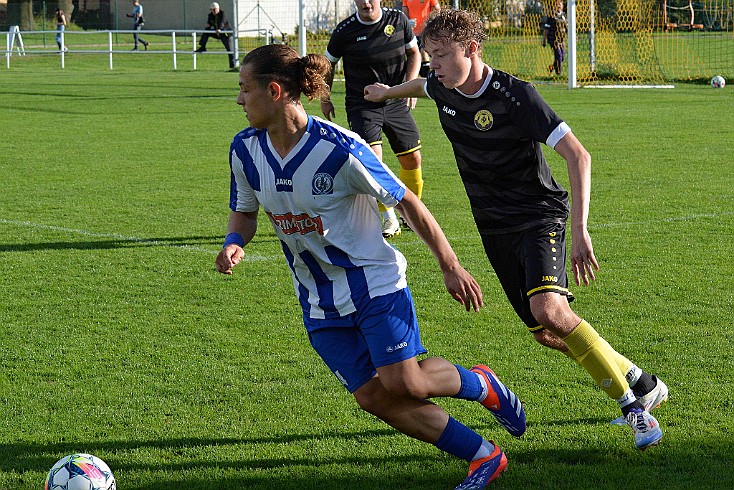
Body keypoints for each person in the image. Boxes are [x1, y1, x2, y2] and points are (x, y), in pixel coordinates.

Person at [217, 43, 528, 489]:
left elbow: (408, 203)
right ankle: (483, 456)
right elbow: (244, 213)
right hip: (317, 298)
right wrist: (234, 241)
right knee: (372, 397)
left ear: (275, 91)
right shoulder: (244, 150)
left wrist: (450, 265)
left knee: (408, 385)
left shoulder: (339, 150)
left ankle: (481, 385)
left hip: (374, 283)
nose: (239, 99)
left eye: (244, 89)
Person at [364, 8, 668, 450]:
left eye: (443, 56)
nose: (435, 65)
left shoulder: (515, 96)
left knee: (550, 312)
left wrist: (581, 231)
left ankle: (633, 409)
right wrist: (387, 91)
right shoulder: (441, 85)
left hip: (537, 215)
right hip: (493, 226)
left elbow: (578, 156)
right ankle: (641, 381)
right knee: (545, 332)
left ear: (472, 49)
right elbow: (421, 86)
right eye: (430, 56)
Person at [321, 0, 424, 239]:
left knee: (412, 158)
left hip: (396, 99)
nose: (366, 2)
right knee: (373, 160)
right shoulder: (344, 30)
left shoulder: (398, 20)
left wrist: (407, 86)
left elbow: (414, 53)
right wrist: (325, 98)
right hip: (362, 104)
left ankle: (411, 213)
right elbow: (327, 65)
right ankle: (389, 218)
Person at [400, 0, 441, 77]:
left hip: (425, 31)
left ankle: (426, 78)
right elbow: (404, 13)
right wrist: (407, 22)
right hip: (412, 32)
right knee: (414, 54)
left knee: (424, 52)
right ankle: (419, 78)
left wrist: (431, 22)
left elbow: (437, 10)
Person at [195, 2, 237, 71]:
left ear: (218, 9)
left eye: (215, 9)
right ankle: (202, 46)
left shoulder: (222, 14)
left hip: (226, 34)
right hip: (217, 33)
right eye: (212, 10)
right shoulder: (210, 15)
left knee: (230, 50)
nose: (213, 11)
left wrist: (220, 29)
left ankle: (233, 67)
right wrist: (208, 25)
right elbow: (209, 23)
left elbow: (222, 22)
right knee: (206, 32)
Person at [542, 0, 566, 76]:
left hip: (561, 39)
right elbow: (546, 29)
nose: (559, 6)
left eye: (560, 4)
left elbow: (567, 27)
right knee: (558, 54)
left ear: (562, 6)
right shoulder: (551, 16)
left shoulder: (564, 15)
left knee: (562, 57)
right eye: (557, 4)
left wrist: (574, 36)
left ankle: (551, 68)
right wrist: (544, 40)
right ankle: (559, 73)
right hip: (553, 39)